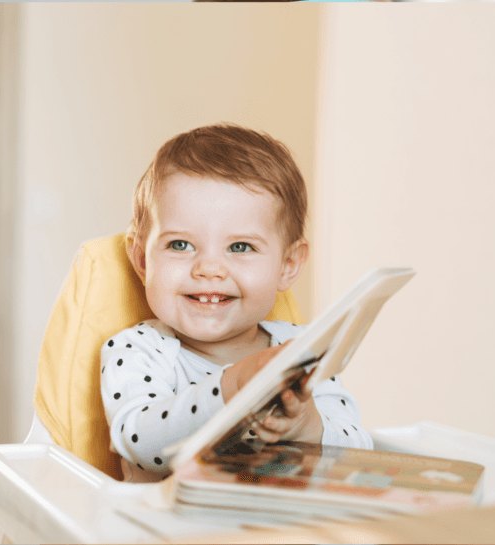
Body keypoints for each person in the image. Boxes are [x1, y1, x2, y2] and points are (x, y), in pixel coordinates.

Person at [100, 124, 372, 482]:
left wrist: (309, 428)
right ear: (143, 259)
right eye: (180, 245)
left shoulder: (300, 351)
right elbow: (141, 442)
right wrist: (233, 386)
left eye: (240, 247)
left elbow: (360, 455)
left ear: (288, 265)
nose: (209, 268)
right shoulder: (138, 350)